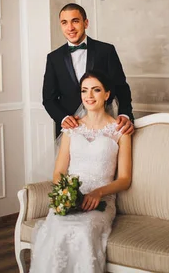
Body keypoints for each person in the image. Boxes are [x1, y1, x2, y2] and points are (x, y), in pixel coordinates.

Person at [30, 71, 133, 272]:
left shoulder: (120, 130)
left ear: (107, 94)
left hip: (101, 200)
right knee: (57, 228)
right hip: (70, 197)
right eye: (84, 90)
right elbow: (59, 171)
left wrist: (99, 193)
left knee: (83, 231)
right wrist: (68, 193)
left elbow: (125, 179)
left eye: (96, 90)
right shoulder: (72, 127)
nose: (89, 96)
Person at [43, 3, 134, 138]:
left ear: (86, 23)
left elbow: (121, 88)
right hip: (71, 130)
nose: (70, 28)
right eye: (64, 23)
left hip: (104, 127)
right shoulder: (53, 58)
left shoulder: (106, 51)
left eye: (75, 21)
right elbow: (48, 99)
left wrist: (124, 114)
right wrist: (62, 118)